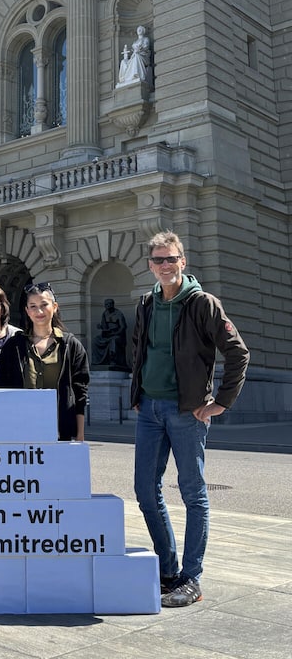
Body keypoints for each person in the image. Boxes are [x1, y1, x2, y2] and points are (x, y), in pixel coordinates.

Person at [131, 231, 249, 607]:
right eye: (158, 260)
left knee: (193, 493)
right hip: (149, 410)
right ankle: (168, 573)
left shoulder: (202, 304)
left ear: (183, 261)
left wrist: (221, 403)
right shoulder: (146, 303)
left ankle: (191, 578)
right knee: (145, 491)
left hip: (187, 412)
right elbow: (140, 349)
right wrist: (138, 393)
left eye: (171, 259)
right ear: (150, 265)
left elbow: (238, 352)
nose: (165, 265)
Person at [0, 283, 89, 441]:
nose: (39, 311)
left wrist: (79, 434)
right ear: (27, 311)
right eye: (33, 306)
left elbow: (80, 392)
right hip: (21, 430)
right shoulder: (13, 346)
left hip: (61, 431)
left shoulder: (71, 345)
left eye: (44, 305)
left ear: (54, 307)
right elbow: (4, 389)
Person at [92, 298, 128, 369]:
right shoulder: (105, 314)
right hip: (107, 335)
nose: (107, 306)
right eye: (106, 304)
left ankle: (113, 360)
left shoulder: (118, 313)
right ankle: (97, 360)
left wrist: (116, 333)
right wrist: (101, 327)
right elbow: (104, 326)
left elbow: (123, 327)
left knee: (113, 341)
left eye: (109, 304)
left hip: (117, 334)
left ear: (113, 304)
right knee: (95, 340)